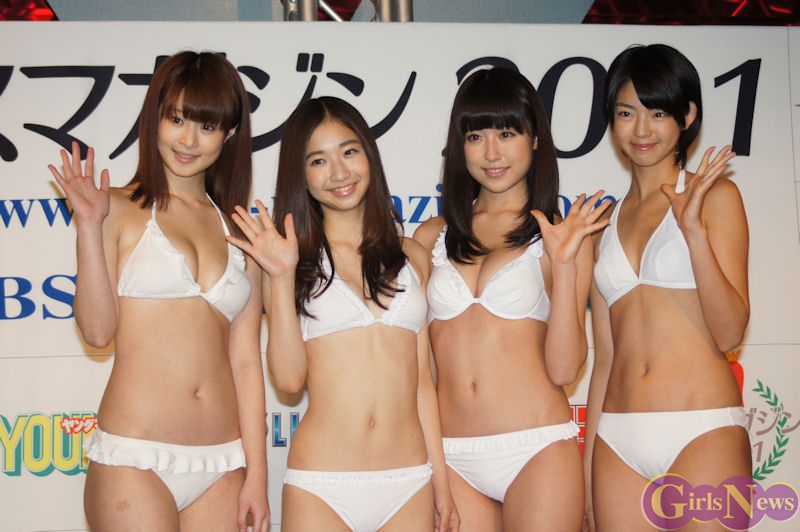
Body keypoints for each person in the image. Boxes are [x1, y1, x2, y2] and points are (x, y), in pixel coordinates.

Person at [48, 51, 269, 532]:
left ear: (230, 133)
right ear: (155, 120)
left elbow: (246, 362)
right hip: (134, 457)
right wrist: (89, 226)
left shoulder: (241, 232)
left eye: (207, 126)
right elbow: (97, 332)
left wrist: (257, 474)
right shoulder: (115, 208)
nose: (188, 140)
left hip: (222, 462)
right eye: (176, 119)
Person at [228, 96, 458, 532]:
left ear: (369, 155)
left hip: (409, 480)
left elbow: (423, 384)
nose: (338, 172)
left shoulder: (412, 257)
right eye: (318, 160)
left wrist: (441, 484)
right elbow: (289, 381)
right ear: (301, 175)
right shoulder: (287, 262)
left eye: (349, 151)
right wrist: (281, 277)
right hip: (322, 485)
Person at [413, 66, 610, 531]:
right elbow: (422, 368)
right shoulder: (430, 236)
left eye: (506, 133)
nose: (492, 153)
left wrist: (564, 266)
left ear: (535, 138)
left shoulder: (563, 235)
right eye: (476, 136)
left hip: (537, 448)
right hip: (452, 455)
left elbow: (565, 370)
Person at [583, 44, 750, 531]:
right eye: (626, 113)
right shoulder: (603, 223)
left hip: (703, 428)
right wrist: (588, 472)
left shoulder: (717, 196)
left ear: (687, 115)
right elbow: (605, 360)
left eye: (657, 113)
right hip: (617, 442)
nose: (641, 130)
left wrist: (692, 231)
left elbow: (730, 333)